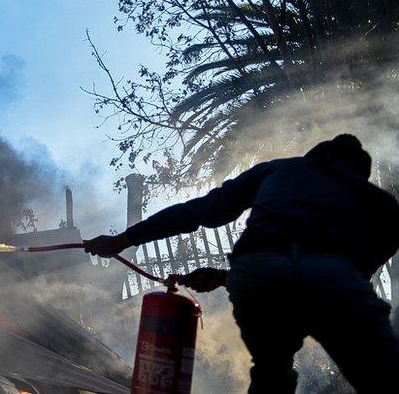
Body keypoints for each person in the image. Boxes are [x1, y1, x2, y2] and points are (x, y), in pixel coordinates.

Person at [85, 134, 399, 393]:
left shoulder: (280, 169)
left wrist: (121, 241)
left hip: (258, 276)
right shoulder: (379, 202)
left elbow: (199, 212)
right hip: (335, 279)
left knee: (271, 372)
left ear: (315, 156)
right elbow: (335, 271)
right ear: (359, 172)